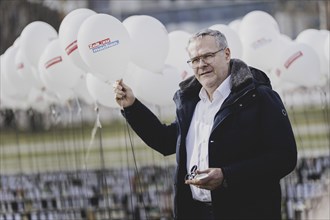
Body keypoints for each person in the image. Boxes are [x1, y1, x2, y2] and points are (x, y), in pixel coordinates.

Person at [113, 29, 297, 220]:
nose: (201, 64)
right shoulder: (192, 103)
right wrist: (132, 107)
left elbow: (284, 157)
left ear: (227, 54)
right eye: (195, 60)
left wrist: (226, 176)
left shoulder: (258, 97)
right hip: (196, 212)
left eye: (208, 56)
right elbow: (166, 141)